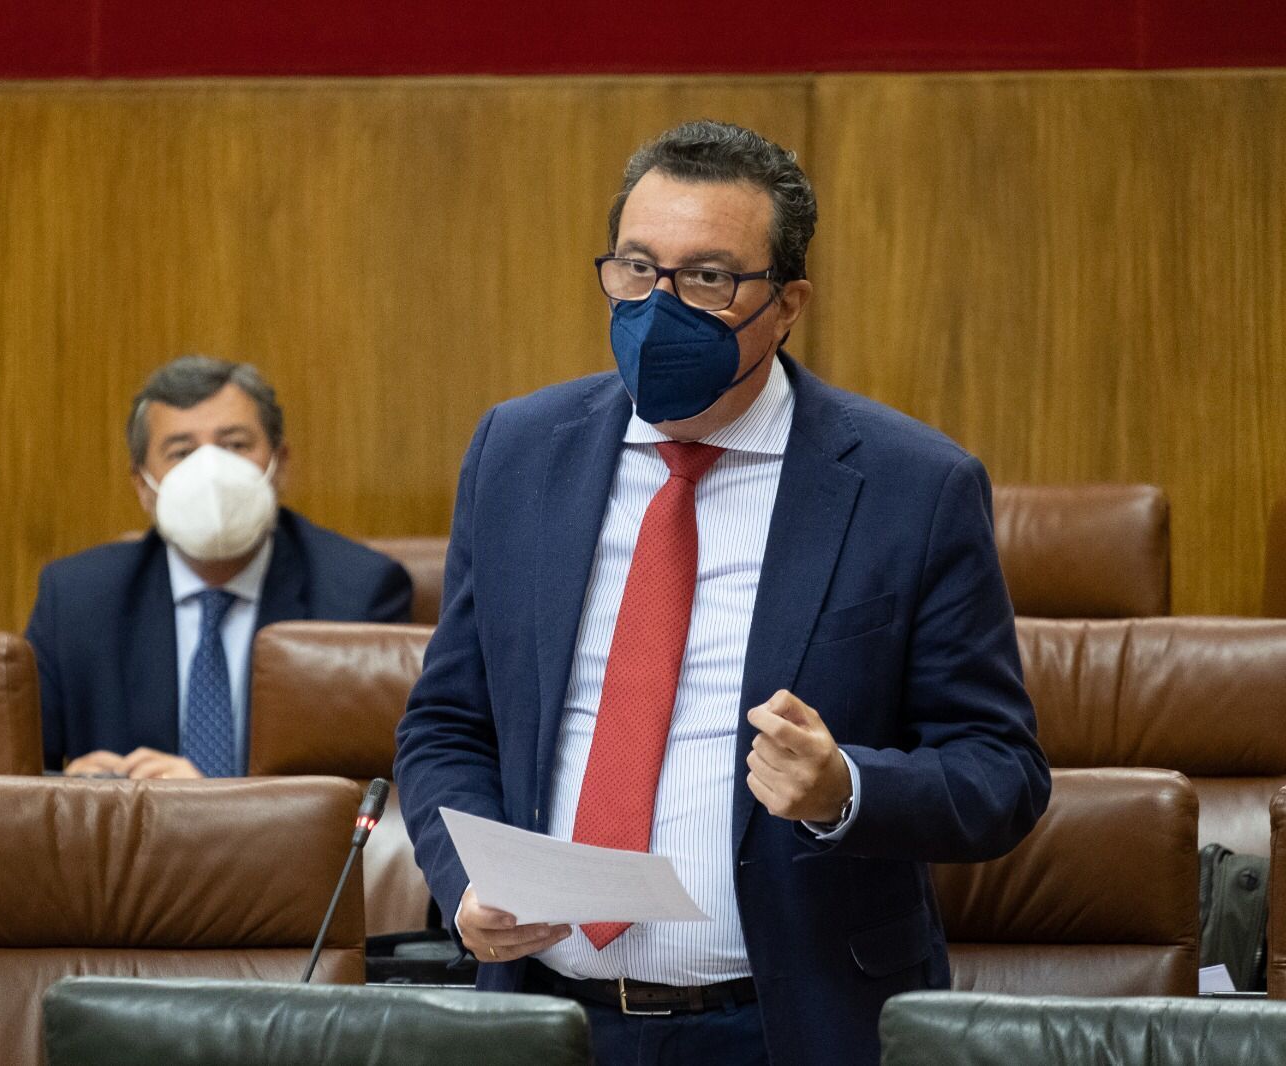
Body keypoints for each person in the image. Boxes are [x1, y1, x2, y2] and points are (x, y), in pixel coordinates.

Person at [393, 121, 1050, 1066]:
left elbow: (1002, 773)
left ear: (788, 304)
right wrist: (465, 884)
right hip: (548, 1019)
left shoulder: (914, 487)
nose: (660, 308)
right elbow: (448, 725)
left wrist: (846, 788)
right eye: (635, 269)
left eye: (707, 279)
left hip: (793, 1025)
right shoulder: (518, 453)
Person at [27, 355, 412, 778]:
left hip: (282, 844)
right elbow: (19, 778)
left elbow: (379, 783)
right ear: (143, 486)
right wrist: (72, 793)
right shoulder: (78, 601)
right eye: (181, 452)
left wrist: (212, 805)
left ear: (279, 464)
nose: (210, 472)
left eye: (235, 445)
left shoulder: (358, 594)